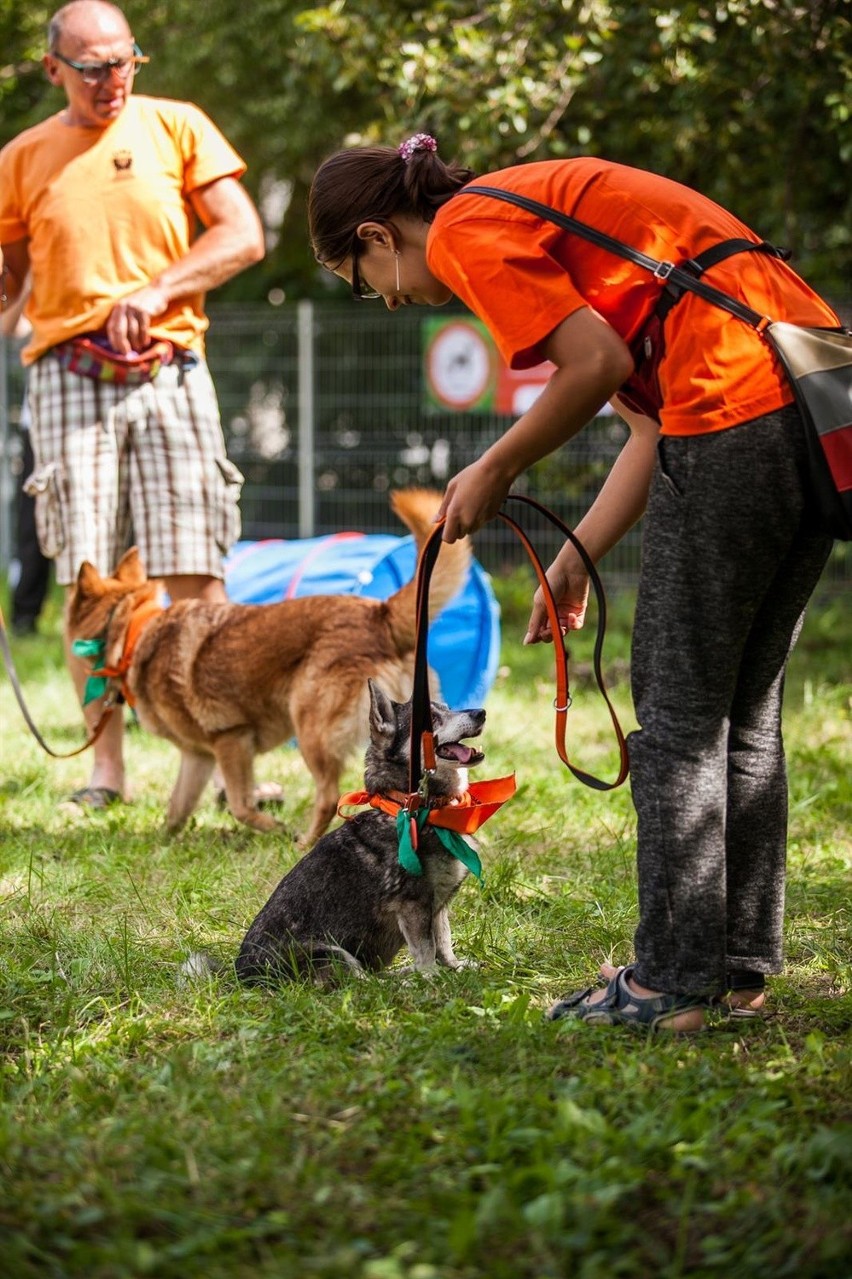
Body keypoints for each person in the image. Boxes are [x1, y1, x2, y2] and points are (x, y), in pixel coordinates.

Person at [308, 133, 838, 1032]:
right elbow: (644, 423)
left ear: (377, 234)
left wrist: (495, 467)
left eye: (366, 280)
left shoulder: (464, 229)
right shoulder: (529, 205)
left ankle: (669, 981)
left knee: (675, 716)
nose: (389, 300)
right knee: (741, 713)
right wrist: (575, 556)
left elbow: (596, 368)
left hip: (734, 414)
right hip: (806, 407)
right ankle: (735, 967)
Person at [0, 0, 265, 810]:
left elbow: (242, 235)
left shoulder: (178, 126)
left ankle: (233, 772)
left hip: (171, 372)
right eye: (92, 67)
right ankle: (105, 770)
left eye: (124, 62)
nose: (112, 79)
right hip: (65, 377)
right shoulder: (21, 157)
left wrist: (157, 292)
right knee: (86, 579)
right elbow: (10, 283)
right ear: (54, 70)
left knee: (195, 569)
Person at [1, 280, 52, 636]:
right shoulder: (40, 298)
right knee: (31, 523)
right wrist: (29, 279)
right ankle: (24, 617)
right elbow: (9, 324)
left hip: (86, 420)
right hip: (40, 424)